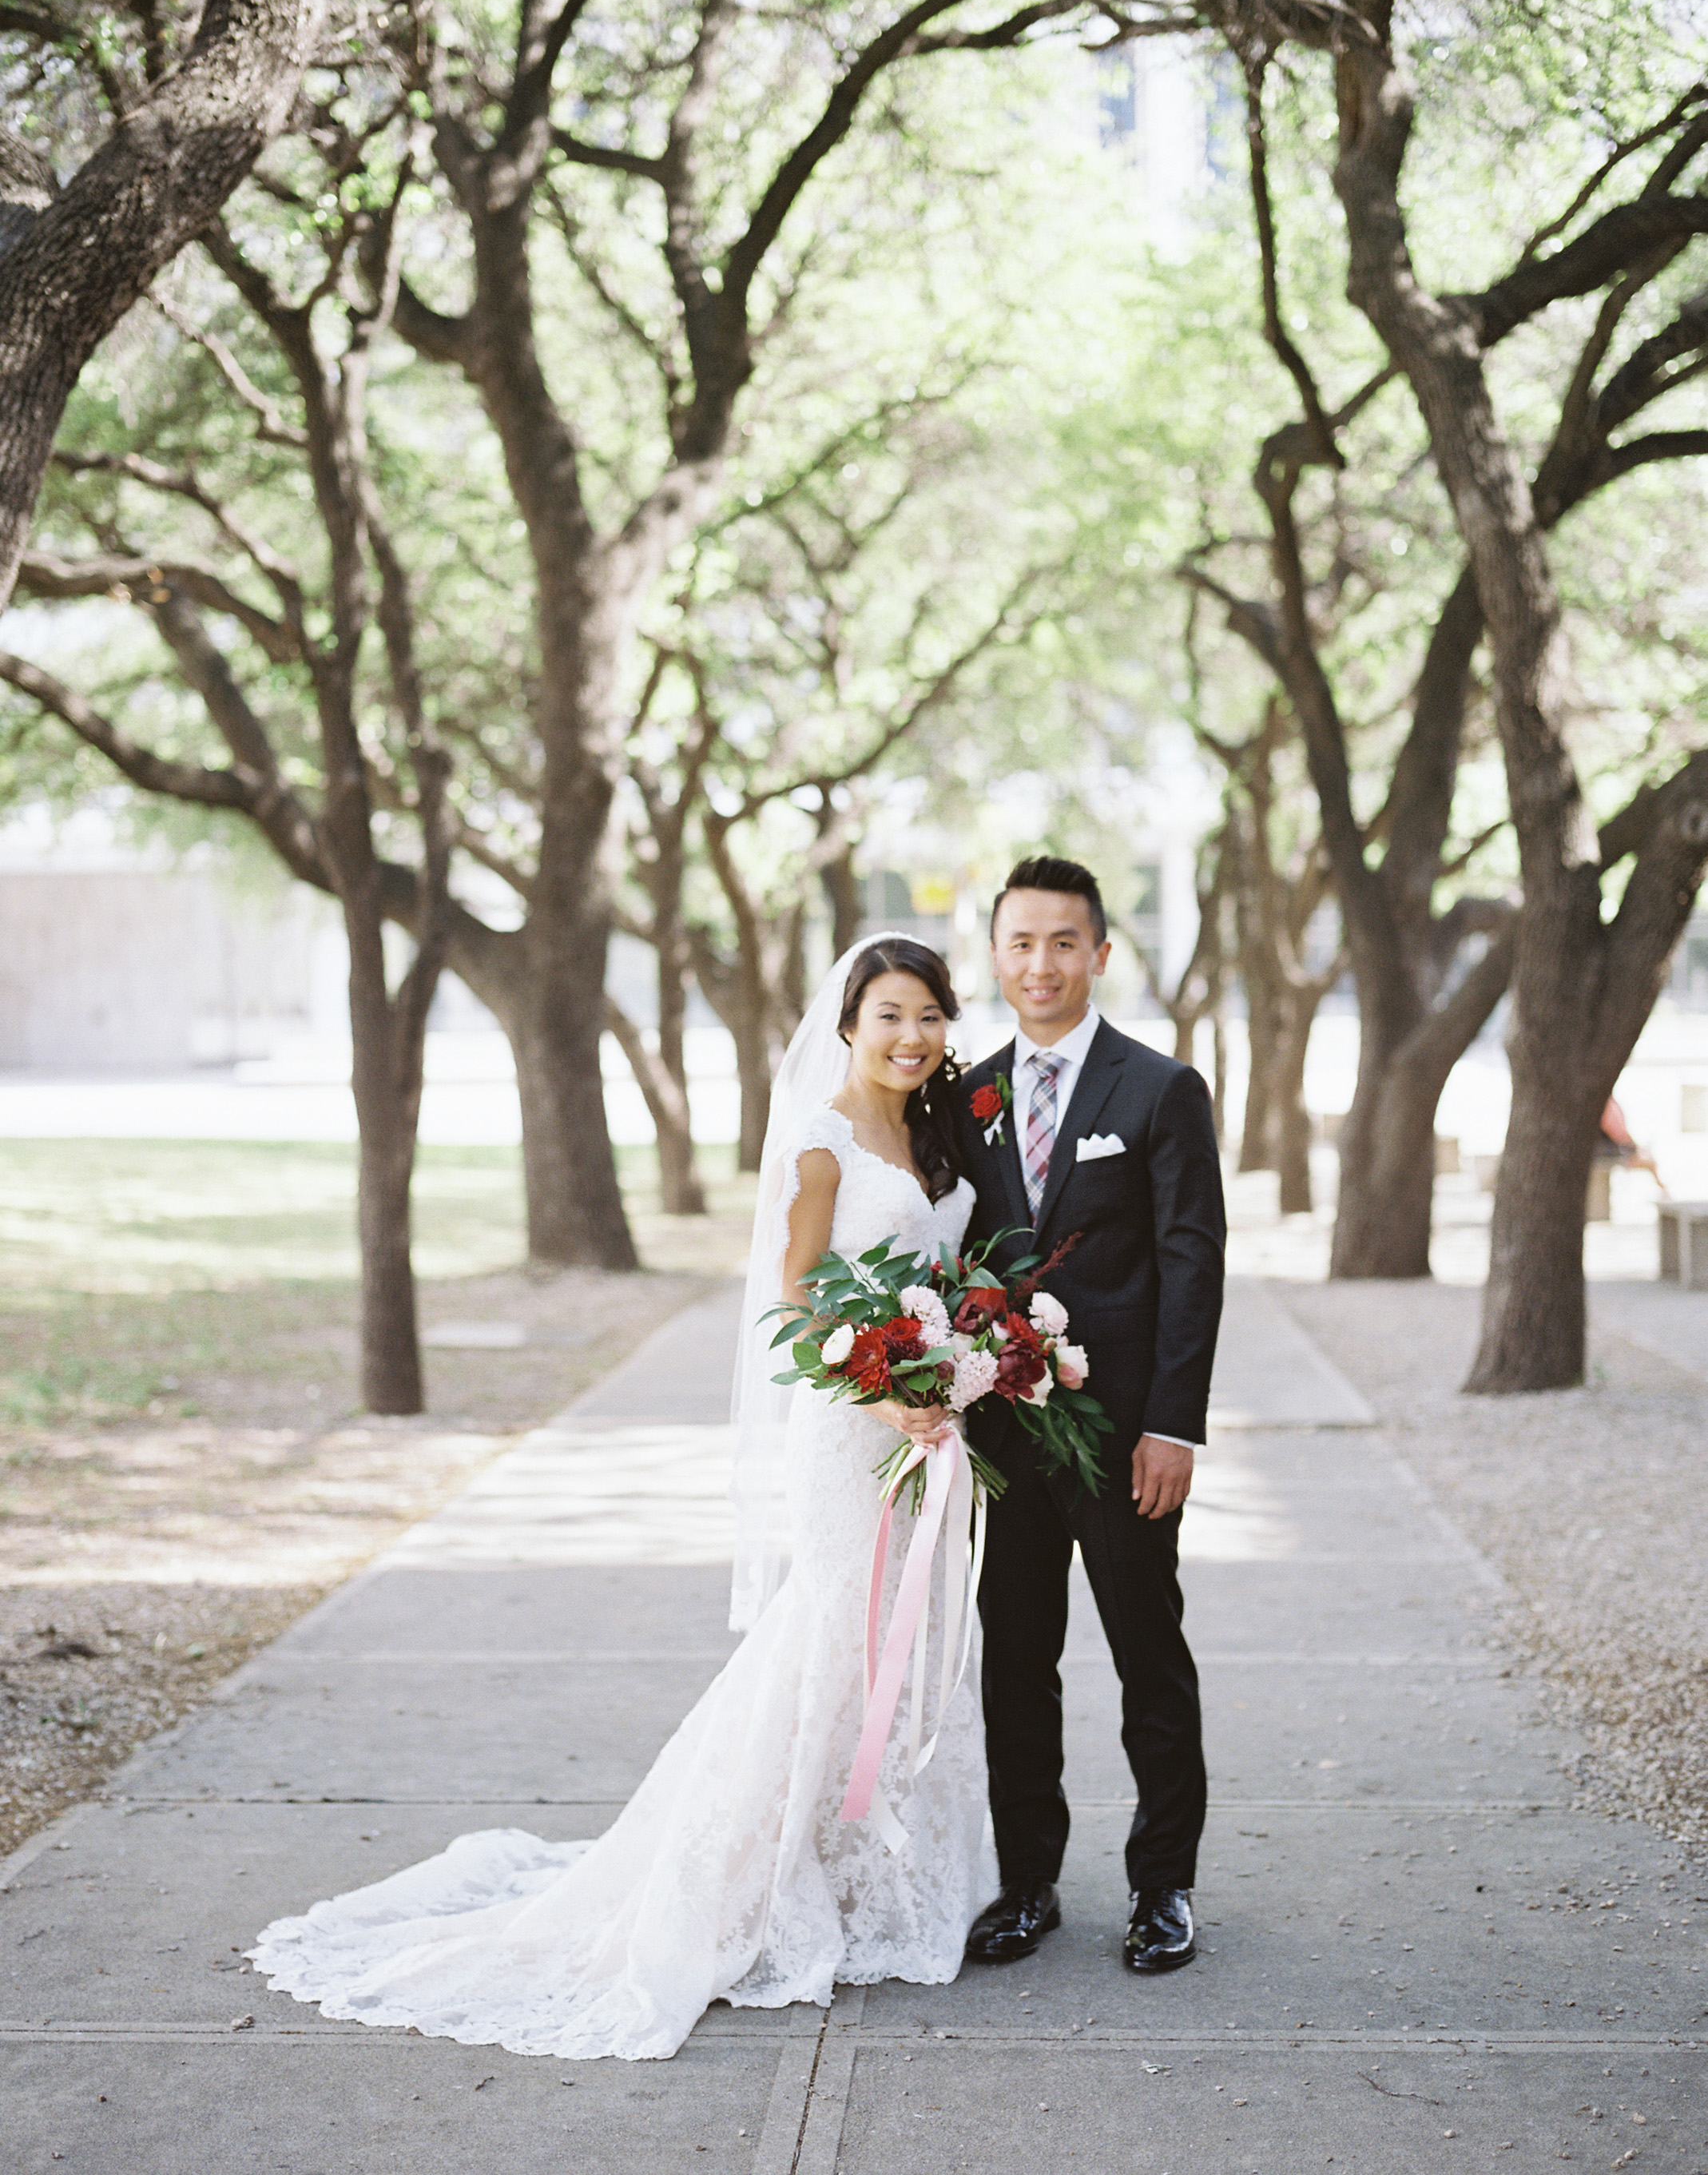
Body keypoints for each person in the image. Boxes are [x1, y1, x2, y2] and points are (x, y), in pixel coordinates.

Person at [252, 935, 994, 2061]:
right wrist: (885, 1398)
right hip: (850, 1436)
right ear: (846, 1022)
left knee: (916, 1640)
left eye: (929, 1015)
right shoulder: (820, 1142)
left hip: (925, 1431)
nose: (910, 1035)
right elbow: (794, 1308)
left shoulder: (935, 1130)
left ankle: (867, 1885)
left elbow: (940, 1279)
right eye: (889, 1014)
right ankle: (733, 1883)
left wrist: (960, 1366)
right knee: (830, 1642)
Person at [955, 854, 1225, 1975]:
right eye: (1020, 942)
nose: (1041, 963)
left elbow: (1190, 1263)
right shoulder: (961, 1097)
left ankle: (1162, 1887)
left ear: (1099, 954)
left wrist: (1175, 1425)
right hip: (1002, 1440)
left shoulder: (1158, 1089)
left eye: (1062, 942)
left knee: (1144, 1655)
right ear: (997, 955)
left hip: (1123, 1438)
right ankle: (1026, 1884)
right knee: (1014, 1661)